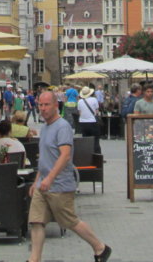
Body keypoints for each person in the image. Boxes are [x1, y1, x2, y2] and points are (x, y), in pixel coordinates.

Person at [28, 91, 111, 262]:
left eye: (46, 105)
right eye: (40, 105)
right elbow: (44, 158)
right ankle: (34, 259)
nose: (43, 108)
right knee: (36, 221)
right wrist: (37, 181)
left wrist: (50, 178)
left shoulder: (62, 126)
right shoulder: (45, 128)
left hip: (60, 184)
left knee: (69, 221)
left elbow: (65, 156)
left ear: (56, 105)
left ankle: (100, 248)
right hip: (43, 185)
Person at [77, 86, 101, 154]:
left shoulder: (80, 101)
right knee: (95, 140)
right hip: (92, 121)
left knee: (85, 140)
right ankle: (97, 155)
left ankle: (87, 155)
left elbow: (80, 112)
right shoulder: (94, 100)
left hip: (83, 122)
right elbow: (96, 111)